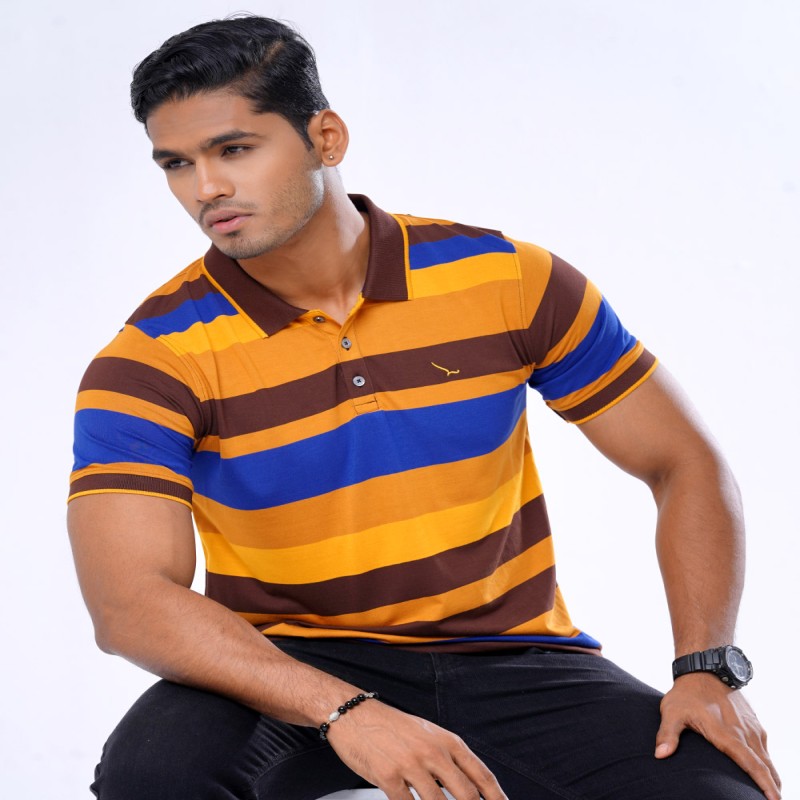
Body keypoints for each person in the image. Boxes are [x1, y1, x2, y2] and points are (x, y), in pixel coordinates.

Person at [67, 15, 780, 800]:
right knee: (151, 776)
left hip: (515, 659)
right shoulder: (151, 359)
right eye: (177, 163)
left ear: (326, 138)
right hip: (286, 663)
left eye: (233, 150)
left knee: (720, 791)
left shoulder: (507, 281)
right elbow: (130, 603)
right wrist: (344, 710)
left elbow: (681, 462)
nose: (206, 189)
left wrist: (706, 668)